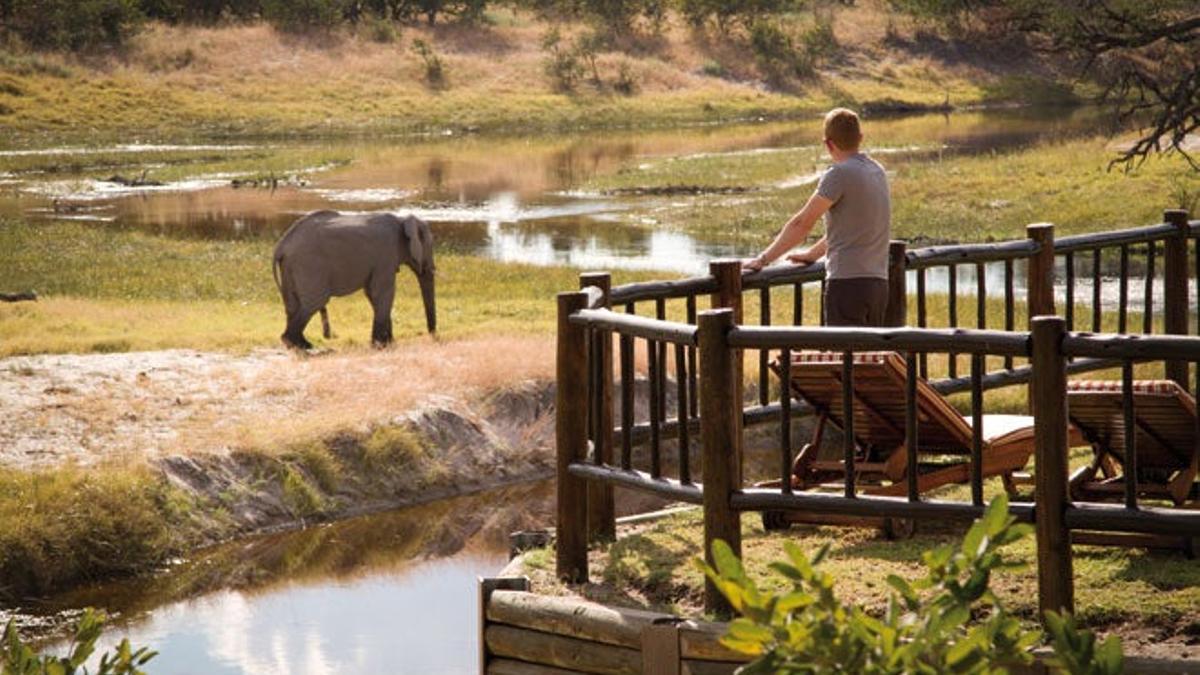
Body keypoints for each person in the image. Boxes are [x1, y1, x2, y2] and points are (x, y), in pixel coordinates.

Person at [742, 108, 892, 327]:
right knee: (868, 359)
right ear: (860, 138)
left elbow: (802, 223)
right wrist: (813, 254)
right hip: (878, 285)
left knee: (845, 358)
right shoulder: (877, 170)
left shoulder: (838, 174)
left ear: (828, 144)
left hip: (847, 284)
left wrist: (763, 259)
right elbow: (852, 229)